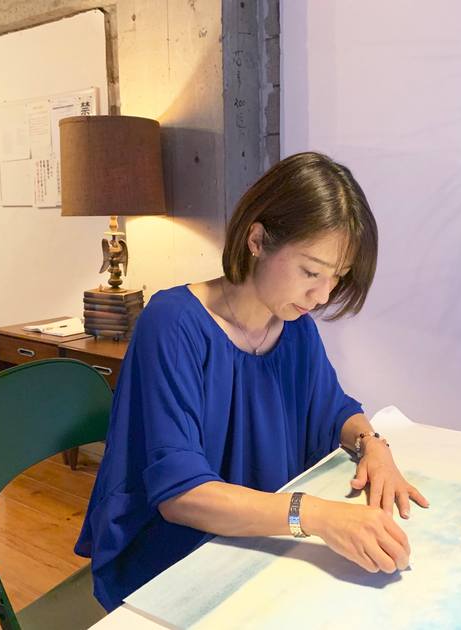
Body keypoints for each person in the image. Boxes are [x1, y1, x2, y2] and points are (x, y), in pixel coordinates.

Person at [75, 151, 429, 611]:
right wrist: (318, 515)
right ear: (257, 240)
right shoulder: (173, 323)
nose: (322, 295)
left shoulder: (295, 327)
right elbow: (181, 496)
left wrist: (373, 446)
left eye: (336, 277)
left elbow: (333, 409)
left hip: (256, 546)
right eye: (310, 271)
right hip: (176, 562)